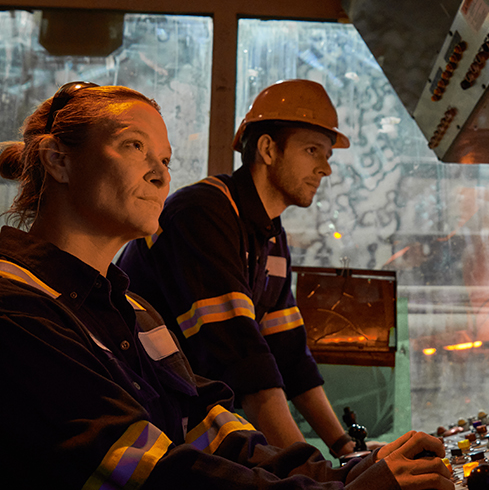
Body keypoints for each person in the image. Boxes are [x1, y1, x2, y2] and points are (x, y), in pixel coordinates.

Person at [0, 82, 454, 490]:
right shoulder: (17, 309)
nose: (159, 173)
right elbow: (148, 485)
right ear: (57, 161)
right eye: (134, 146)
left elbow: (213, 429)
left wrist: (350, 469)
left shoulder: (132, 308)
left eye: (166, 159)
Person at [118, 80, 358, 455]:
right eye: (313, 150)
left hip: (185, 423)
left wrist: (346, 449)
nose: (325, 168)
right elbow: (242, 359)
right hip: (144, 426)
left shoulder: (269, 235)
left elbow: (289, 353)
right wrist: (312, 474)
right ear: (267, 149)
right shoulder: (202, 213)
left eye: (327, 155)